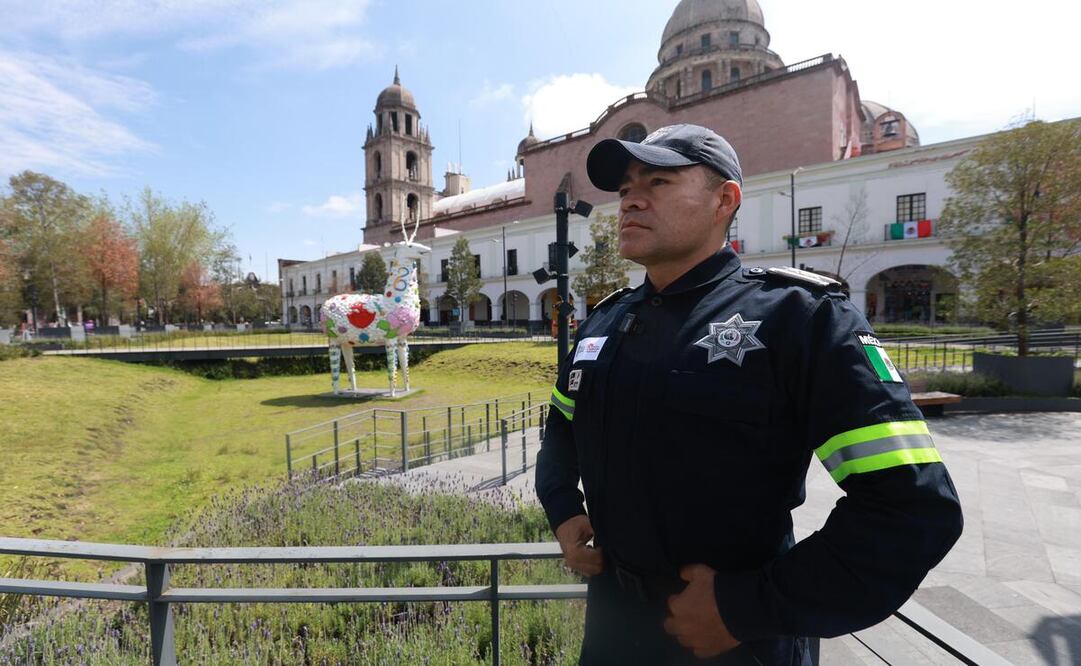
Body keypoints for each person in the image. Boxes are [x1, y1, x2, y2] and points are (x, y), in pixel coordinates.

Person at [535, 124, 963, 665]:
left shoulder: (800, 317)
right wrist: (563, 508)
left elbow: (914, 509)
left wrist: (751, 607)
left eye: (659, 182)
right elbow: (562, 426)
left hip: (739, 642)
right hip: (613, 627)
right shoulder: (604, 321)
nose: (631, 201)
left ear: (724, 199)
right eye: (623, 191)